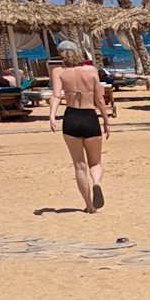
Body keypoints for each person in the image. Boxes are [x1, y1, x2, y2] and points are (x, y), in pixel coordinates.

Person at [48, 41, 111, 212]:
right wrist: (106, 120)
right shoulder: (91, 71)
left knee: (79, 165)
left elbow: (56, 95)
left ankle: (89, 206)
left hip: (71, 118)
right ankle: (96, 182)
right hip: (89, 117)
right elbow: (99, 99)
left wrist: (52, 116)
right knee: (95, 163)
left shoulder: (58, 71)